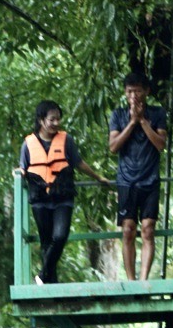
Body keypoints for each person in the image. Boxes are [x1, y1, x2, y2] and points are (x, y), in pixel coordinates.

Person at [17, 101, 110, 286]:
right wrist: (18, 174)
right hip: (40, 199)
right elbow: (23, 167)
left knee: (59, 236)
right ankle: (51, 286)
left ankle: (43, 276)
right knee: (45, 242)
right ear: (41, 120)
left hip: (62, 197)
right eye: (52, 119)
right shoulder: (28, 143)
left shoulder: (66, 140)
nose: (56, 123)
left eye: (58, 119)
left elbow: (78, 162)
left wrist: (98, 177)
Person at [108, 72, 168, 282]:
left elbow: (161, 144)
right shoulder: (118, 115)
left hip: (150, 179)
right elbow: (113, 147)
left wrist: (142, 121)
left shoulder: (158, 114)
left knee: (148, 230)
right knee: (128, 230)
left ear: (146, 92)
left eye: (137, 91)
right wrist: (132, 123)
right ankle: (131, 281)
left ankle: (144, 281)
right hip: (126, 180)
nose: (133, 95)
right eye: (129, 91)